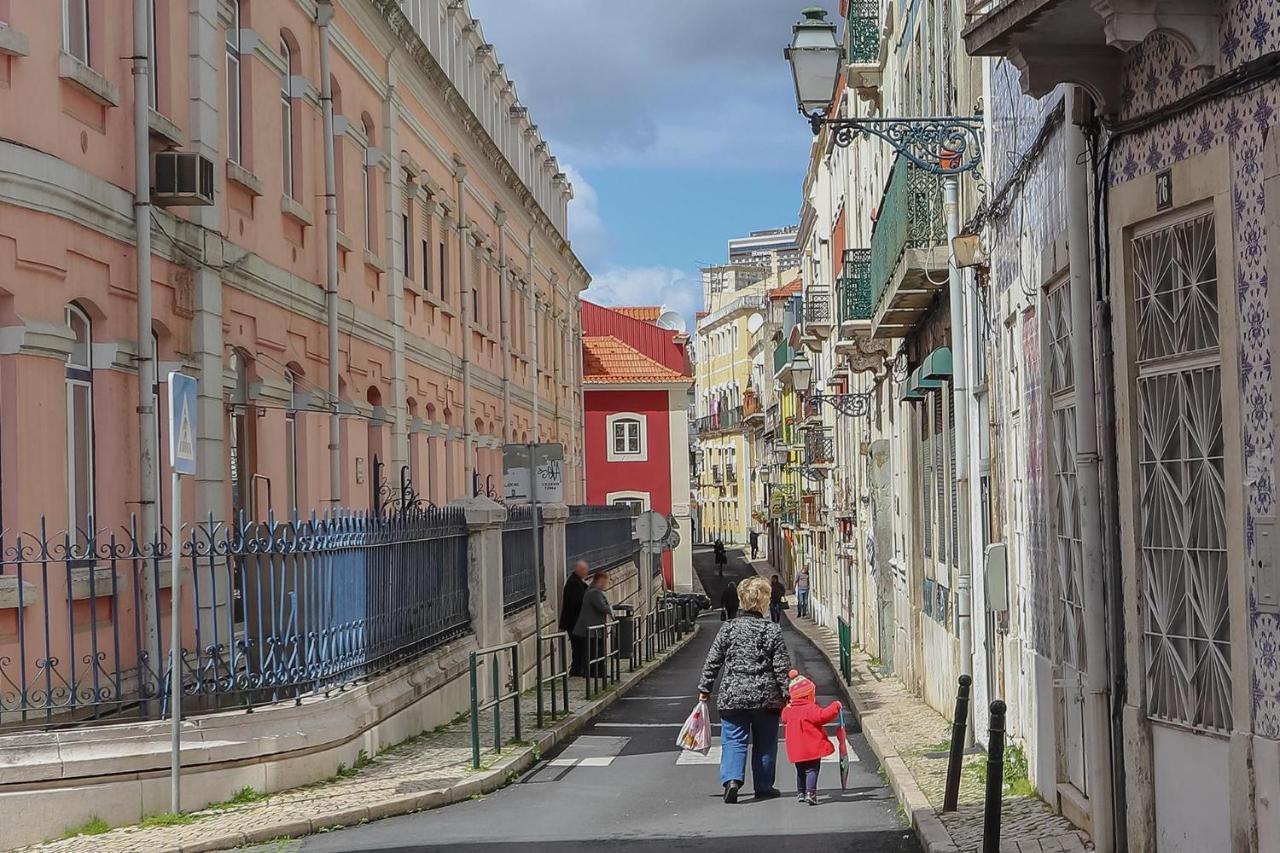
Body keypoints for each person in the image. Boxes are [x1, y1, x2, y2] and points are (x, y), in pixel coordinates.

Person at [698, 576, 792, 804]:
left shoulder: (728, 629)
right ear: (763, 602)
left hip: (733, 695)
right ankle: (763, 786)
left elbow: (713, 660)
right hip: (765, 697)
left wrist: (705, 688)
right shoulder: (771, 630)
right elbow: (781, 666)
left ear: (741, 601)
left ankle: (732, 781)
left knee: (733, 740)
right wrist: (787, 694)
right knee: (765, 742)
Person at [781, 669, 842, 805]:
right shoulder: (810, 708)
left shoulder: (789, 711)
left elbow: (784, 716)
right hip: (811, 748)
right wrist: (835, 706)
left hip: (796, 749)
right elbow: (822, 716)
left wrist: (788, 705)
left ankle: (801, 793)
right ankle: (811, 793)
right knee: (812, 769)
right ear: (808, 695)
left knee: (800, 771)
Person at [572, 571, 612, 678]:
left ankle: (595, 672)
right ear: (599, 581)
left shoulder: (591, 591)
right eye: (605, 582)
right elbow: (603, 607)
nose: (606, 584)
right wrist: (611, 609)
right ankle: (596, 673)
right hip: (593, 630)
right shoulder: (594, 593)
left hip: (591, 629)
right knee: (596, 651)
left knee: (593, 651)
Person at [559, 560, 590, 676]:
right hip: (574, 622)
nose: (587, 573)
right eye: (585, 570)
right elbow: (578, 602)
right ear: (580, 570)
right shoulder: (573, 583)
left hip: (577, 622)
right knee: (578, 646)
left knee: (580, 646)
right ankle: (576, 669)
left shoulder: (578, 582)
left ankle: (579, 668)